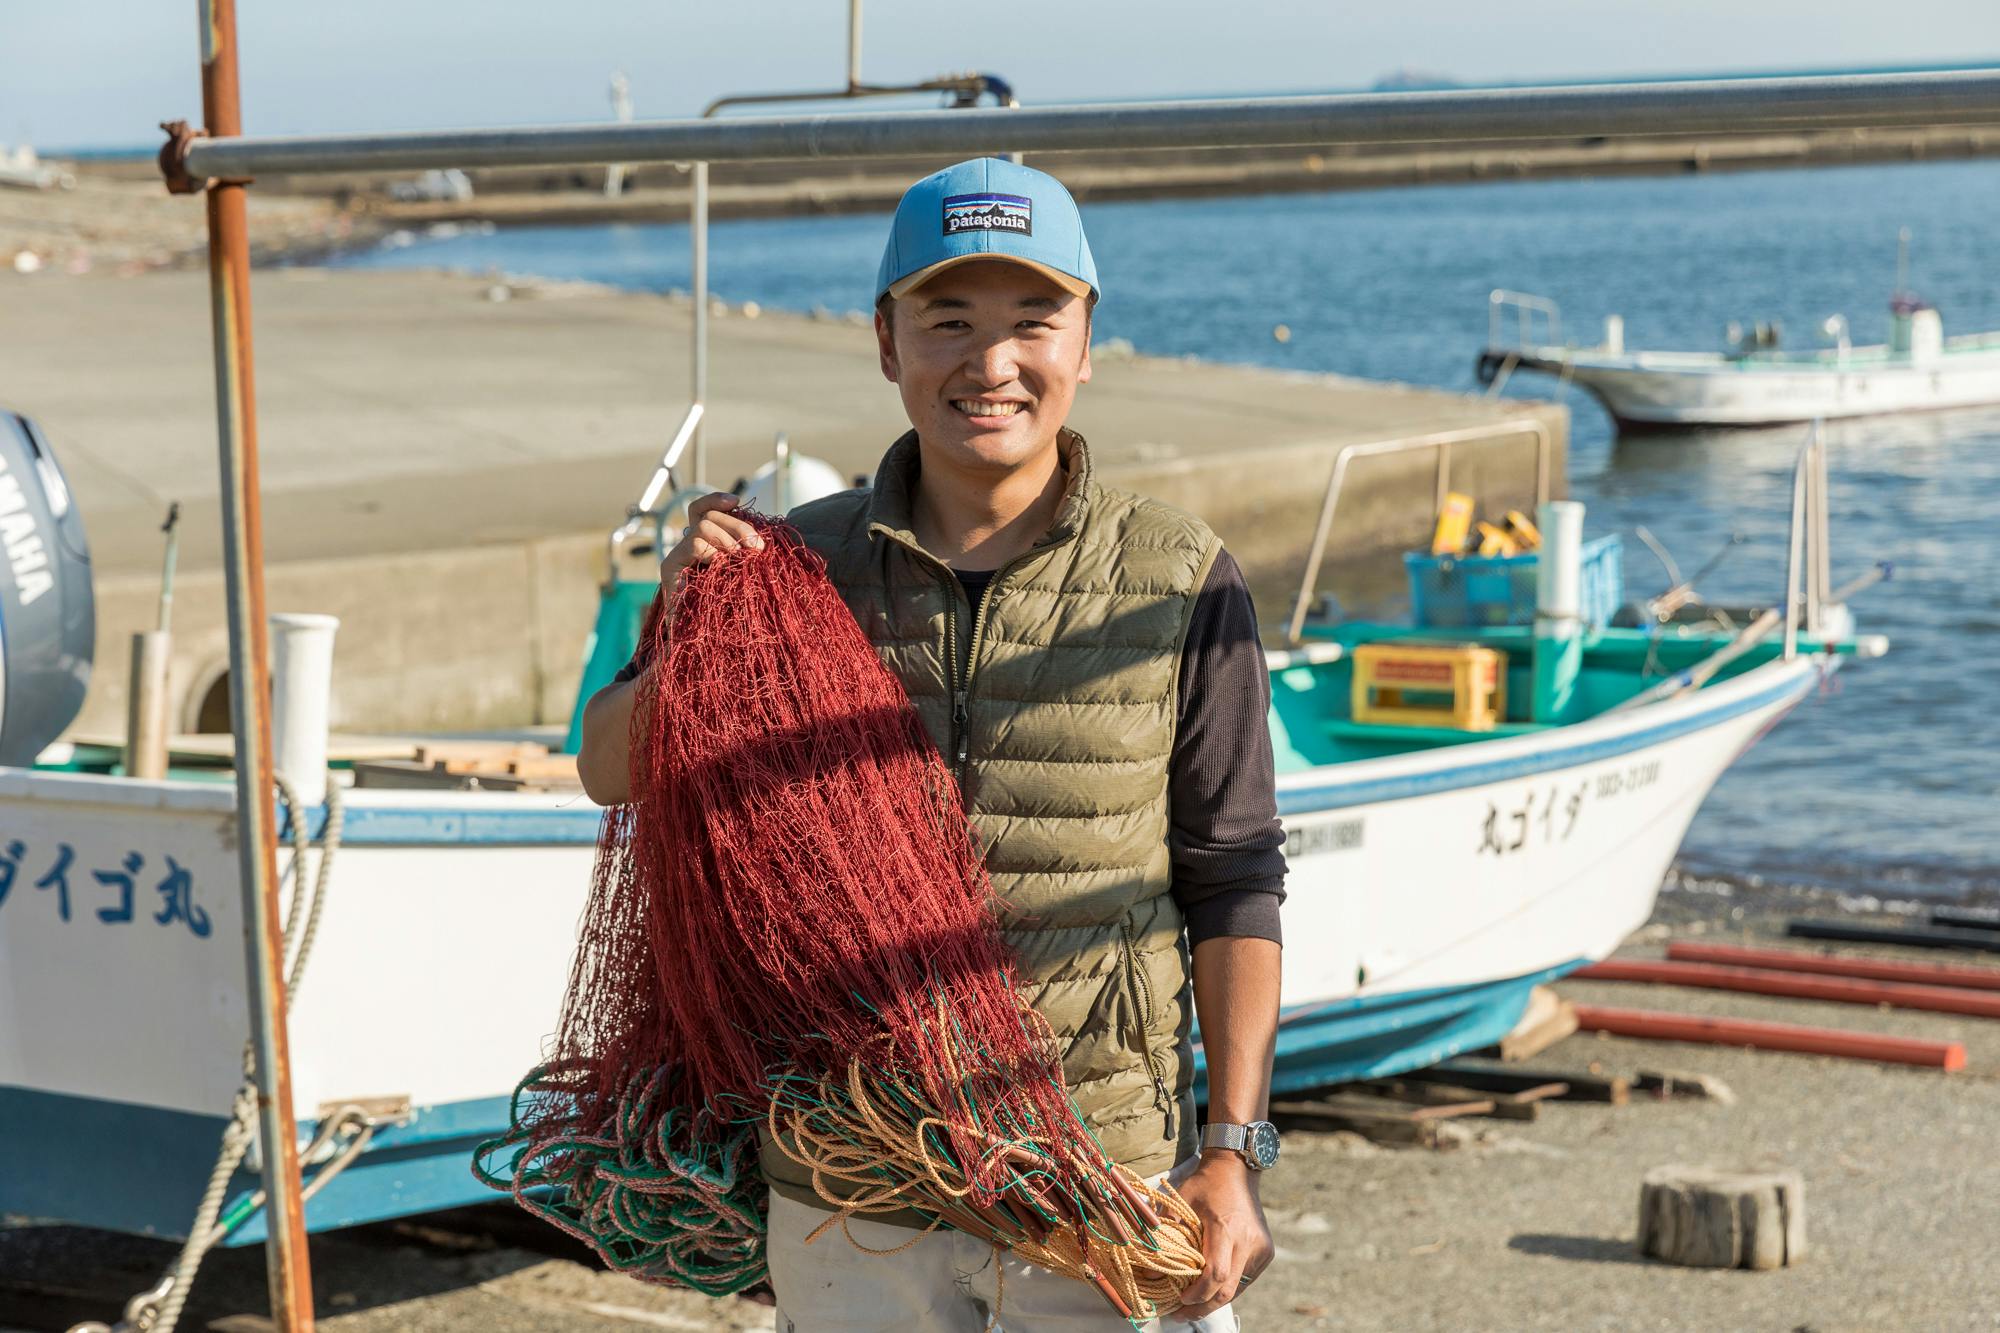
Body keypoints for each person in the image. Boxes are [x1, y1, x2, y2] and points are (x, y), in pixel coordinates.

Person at [577, 157, 1286, 1332]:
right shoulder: (787, 570)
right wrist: (690, 626)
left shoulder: (1177, 576)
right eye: (947, 320)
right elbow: (609, 767)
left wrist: (1233, 1152)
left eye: (1030, 322)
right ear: (885, 341)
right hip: (850, 1191)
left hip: (1097, 1176)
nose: (991, 363)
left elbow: (1234, 877)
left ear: (1085, 340)